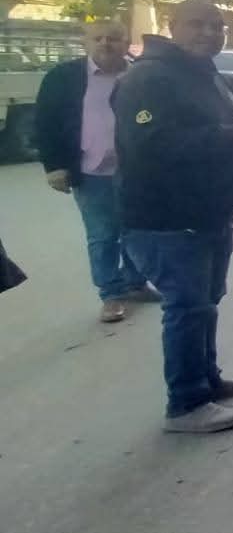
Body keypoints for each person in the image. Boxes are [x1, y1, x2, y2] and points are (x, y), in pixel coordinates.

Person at [115, 0, 233, 433]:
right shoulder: (150, 77)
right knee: (188, 308)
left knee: (205, 304)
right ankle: (186, 404)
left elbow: (213, 130)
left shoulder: (201, 72)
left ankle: (208, 380)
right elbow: (152, 144)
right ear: (171, 25)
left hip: (209, 213)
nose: (209, 33)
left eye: (217, 26)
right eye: (197, 24)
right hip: (169, 220)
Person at [35, 20, 156, 323]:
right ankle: (111, 294)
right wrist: (54, 166)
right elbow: (46, 123)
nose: (105, 43)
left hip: (138, 171)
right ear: (85, 42)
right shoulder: (63, 78)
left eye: (113, 38)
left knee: (138, 231)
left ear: (126, 42)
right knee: (103, 235)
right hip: (92, 172)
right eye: (97, 38)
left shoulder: (143, 76)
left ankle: (136, 283)